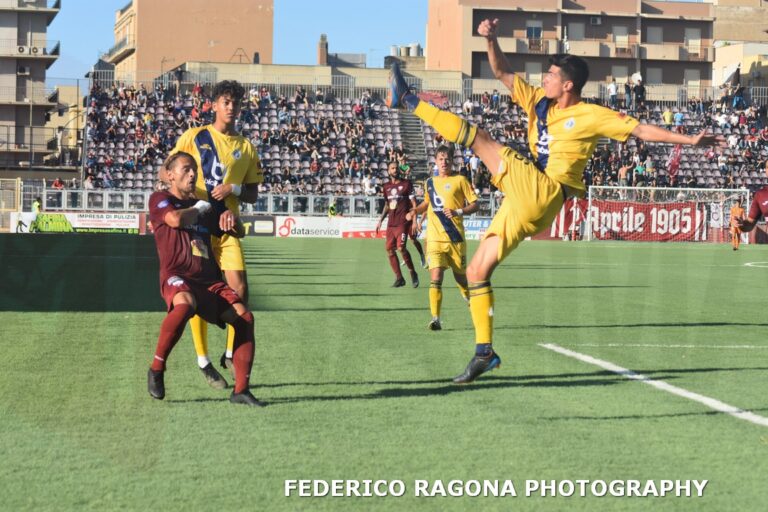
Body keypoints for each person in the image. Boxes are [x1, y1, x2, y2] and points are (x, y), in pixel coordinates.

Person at [386, 17, 724, 384]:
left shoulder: (592, 115)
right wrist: (491, 39)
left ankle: (406, 99)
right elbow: (502, 73)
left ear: (567, 85)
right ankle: (485, 352)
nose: (542, 79)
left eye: (549, 75)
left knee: (480, 138)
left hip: (545, 189)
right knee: (476, 271)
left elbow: (640, 129)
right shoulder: (537, 101)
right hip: (529, 201)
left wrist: (690, 142)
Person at [147, 152, 264, 407]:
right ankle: (157, 368)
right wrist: (200, 207)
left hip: (209, 281)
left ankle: (241, 391)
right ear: (170, 175)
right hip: (178, 276)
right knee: (185, 304)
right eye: (186, 170)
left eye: (194, 171)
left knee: (245, 318)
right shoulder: (161, 199)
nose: (192, 174)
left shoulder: (205, 207)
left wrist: (231, 220)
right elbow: (175, 221)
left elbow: (239, 231)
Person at [171, 80, 263, 387]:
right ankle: (203, 360)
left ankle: (229, 353)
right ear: (214, 105)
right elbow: (166, 170)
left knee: (240, 290)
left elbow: (252, 193)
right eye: (225, 102)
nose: (231, 107)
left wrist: (234, 188)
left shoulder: (246, 147)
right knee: (200, 294)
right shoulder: (195, 137)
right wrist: (182, 192)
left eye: (235, 103)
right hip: (198, 226)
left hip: (227, 226)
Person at [407, 145, 479, 331]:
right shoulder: (430, 182)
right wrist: (416, 210)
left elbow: (475, 204)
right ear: (436, 161)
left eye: (447, 159)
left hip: (455, 238)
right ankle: (435, 318)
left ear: (452, 160)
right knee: (436, 278)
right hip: (434, 239)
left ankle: (473, 305)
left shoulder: (461, 180)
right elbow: (426, 203)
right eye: (440, 159)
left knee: (461, 279)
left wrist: (458, 211)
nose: (444, 162)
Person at [375, 161, 420, 288]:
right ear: (388, 171)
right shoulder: (386, 187)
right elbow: (387, 205)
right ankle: (399, 278)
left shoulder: (406, 184)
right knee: (389, 250)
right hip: (391, 224)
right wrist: (380, 220)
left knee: (401, 248)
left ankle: (412, 272)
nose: (395, 170)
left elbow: (414, 204)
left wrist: (415, 221)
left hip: (403, 223)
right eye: (392, 168)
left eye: (396, 168)